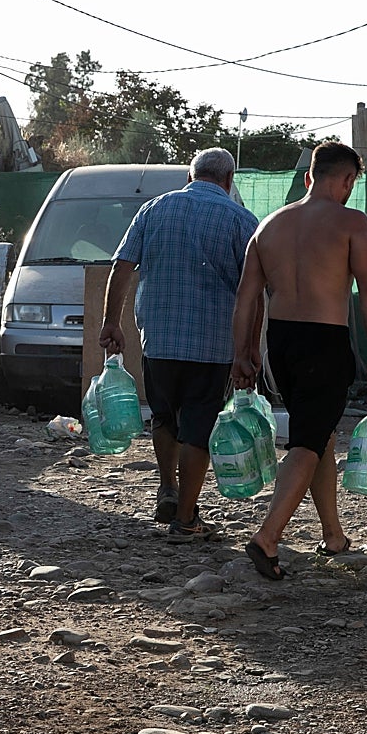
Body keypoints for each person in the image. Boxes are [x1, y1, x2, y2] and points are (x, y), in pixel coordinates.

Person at [231, 141, 367, 580]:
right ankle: (267, 538)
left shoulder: (268, 225)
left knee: (319, 433)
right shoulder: (352, 222)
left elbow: (246, 298)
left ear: (308, 177)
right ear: (347, 181)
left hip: (280, 344)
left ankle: (333, 534)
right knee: (306, 442)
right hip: (325, 341)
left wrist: (242, 354)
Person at [99, 148, 259, 540]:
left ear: (190, 176)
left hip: (159, 339)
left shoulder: (153, 209)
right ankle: (186, 519)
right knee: (198, 428)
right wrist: (248, 349)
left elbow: (122, 266)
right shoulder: (242, 220)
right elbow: (253, 293)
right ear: (229, 180)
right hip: (213, 345)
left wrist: (111, 322)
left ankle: (168, 487)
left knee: (164, 417)